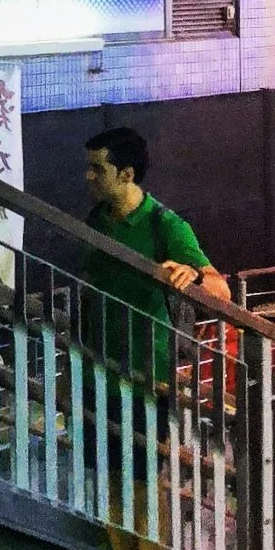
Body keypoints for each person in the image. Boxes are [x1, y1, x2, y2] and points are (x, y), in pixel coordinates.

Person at [81, 128, 218, 383]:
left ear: (127, 174)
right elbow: (88, 292)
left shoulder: (166, 225)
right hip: (97, 373)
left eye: (98, 169)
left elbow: (221, 290)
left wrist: (194, 275)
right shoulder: (96, 219)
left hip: (150, 378)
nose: (89, 176)